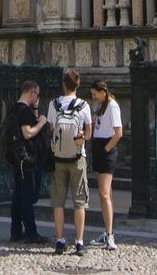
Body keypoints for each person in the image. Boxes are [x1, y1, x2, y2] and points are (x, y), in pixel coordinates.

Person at [46, 68, 92, 258]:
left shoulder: (53, 104)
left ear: (64, 84)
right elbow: (88, 134)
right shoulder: (84, 105)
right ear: (78, 85)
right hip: (77, 158)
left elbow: (52, 129)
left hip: (58, 159)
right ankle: (79, 242)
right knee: (79, 202)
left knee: (58, 201)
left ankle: (60, 240)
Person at [5, 80, 48, 246]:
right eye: (37, 94)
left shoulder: (15, 108)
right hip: (27, 159)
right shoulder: (23, 111)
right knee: (28, 196)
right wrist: (43, 121)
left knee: (18, 196)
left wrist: (36, 110)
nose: (37, 98)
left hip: (17, 159)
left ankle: (15, 230)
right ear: (31, 92)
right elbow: (28, 133)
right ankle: (31, 231)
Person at [88, 80, 123, 252]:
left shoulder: (112, 106)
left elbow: (118, 132)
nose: (93, 97)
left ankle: (110, 234)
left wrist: (105, 149)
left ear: (102, 91)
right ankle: (107, 230)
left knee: (104, 193)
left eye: (95, 94)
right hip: (99, 146)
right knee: (105, 194)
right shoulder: (101, 106)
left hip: (106, 150)